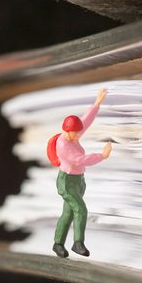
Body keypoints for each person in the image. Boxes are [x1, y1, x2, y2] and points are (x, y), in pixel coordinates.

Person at [48, 88, 112, 258]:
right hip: (67, 182)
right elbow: (80, 160)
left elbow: (86, 121)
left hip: (78, 181)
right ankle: (78, 243)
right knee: (81, 210)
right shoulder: (64, 145)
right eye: (76, 133)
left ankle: (58, 244)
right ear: (68, 131)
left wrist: (97, 104)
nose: (79, 135)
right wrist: (102, 156)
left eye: (78, 132)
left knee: (68, 213)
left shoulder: (72, 135)